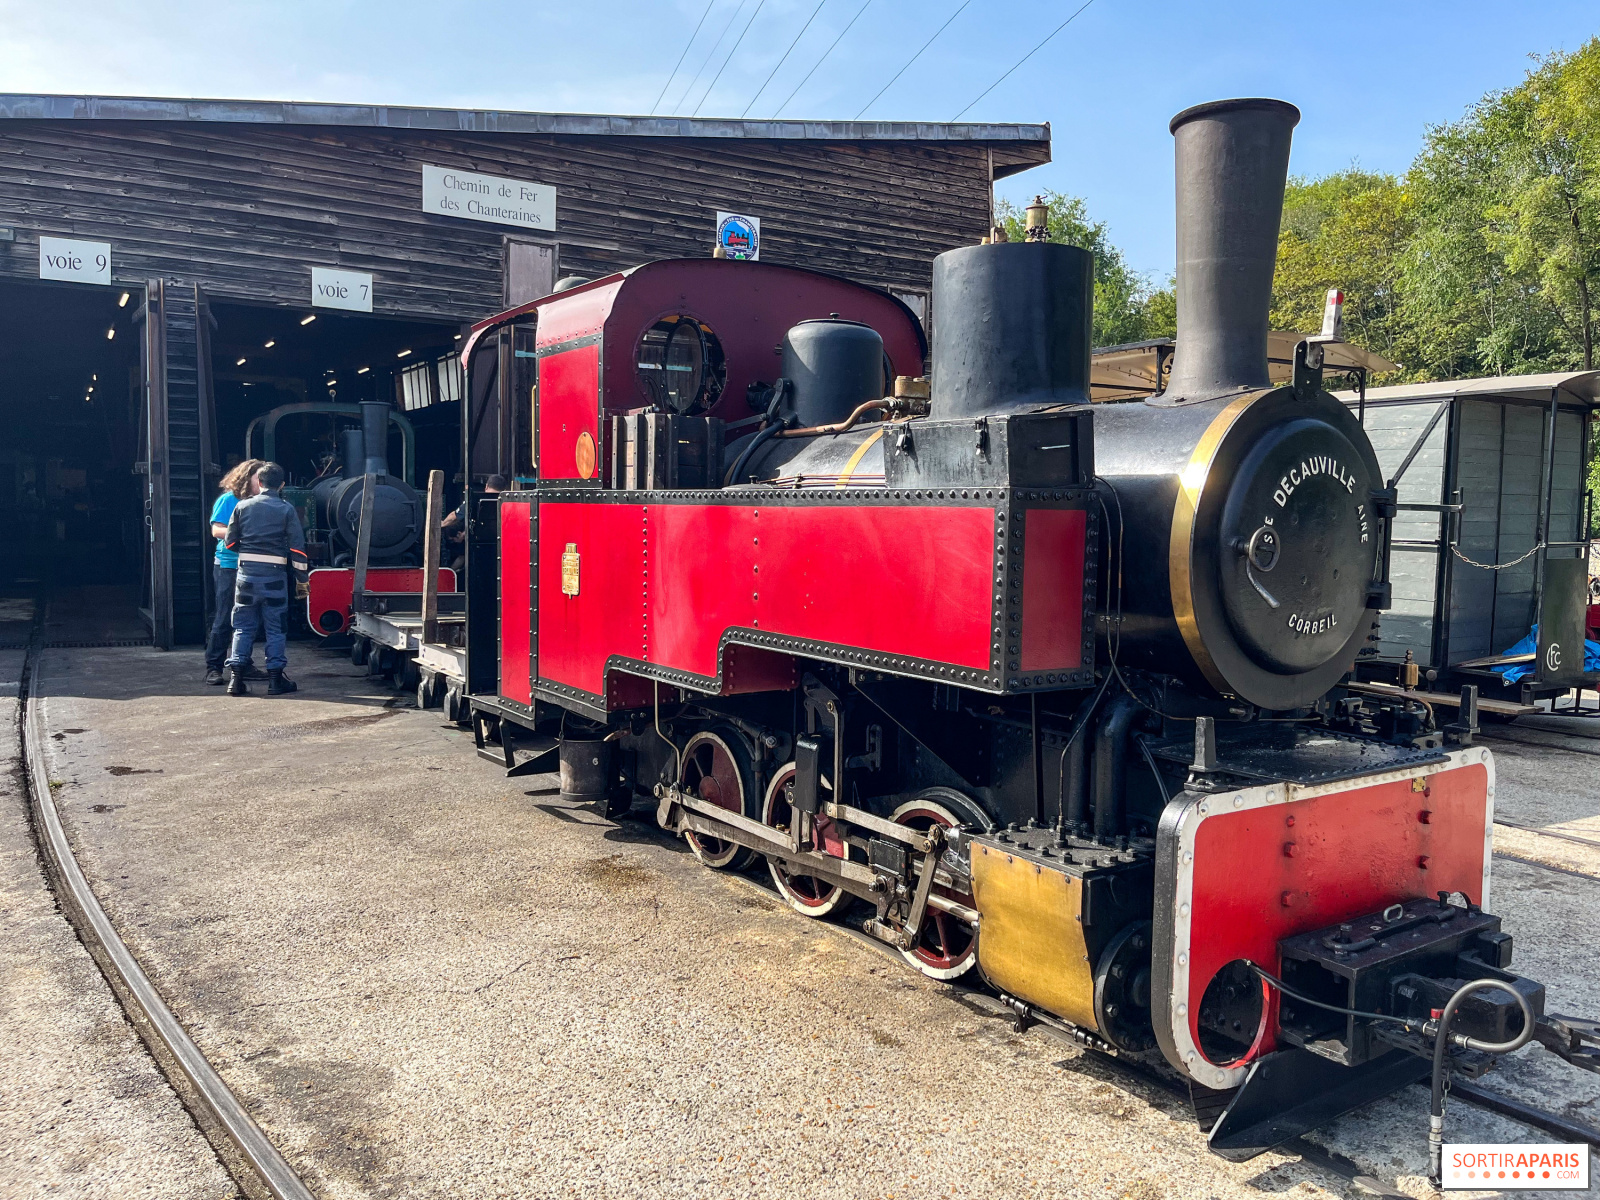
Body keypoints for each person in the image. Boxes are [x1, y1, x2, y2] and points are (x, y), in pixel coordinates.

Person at [222, 462, 310, 696]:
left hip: (246, 578)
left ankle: (236, 681)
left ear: (259, 483)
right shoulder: (286, 509)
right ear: (281, 485)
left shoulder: (242, 506)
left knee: (242, 627)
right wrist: (302, 580)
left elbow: (229, 543)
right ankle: (275, 681)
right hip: (274, 579)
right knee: (276, 629)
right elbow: (298, 550)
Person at [203, 458, 263, 686]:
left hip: (253, 565)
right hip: (229, 565)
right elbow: (216, 530)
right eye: (259, 478)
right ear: (248, 478)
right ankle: (214, 667)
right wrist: (242, 533)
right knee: (224, 617)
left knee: (249, 619)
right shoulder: (229, 499)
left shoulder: (261, 501)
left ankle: (242, 664)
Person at [440, 474, 505, 573]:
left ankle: (451, 571)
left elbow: (455, 516)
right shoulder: (508, 501)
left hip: (478, 546)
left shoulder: (476, 499)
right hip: (501, 545)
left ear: (486, 486)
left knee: (464, 552)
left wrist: (443, 524)